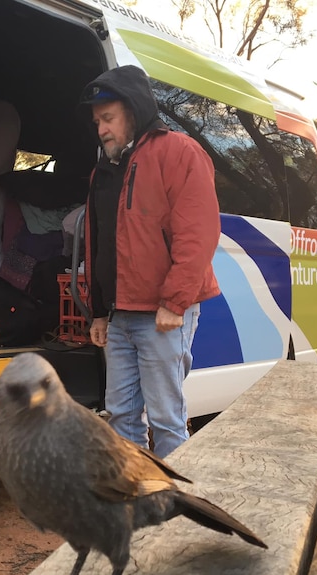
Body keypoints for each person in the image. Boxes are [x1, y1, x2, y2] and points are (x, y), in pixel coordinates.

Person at [78, 65, 221, 458]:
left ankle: (176, 510)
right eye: (97, 123)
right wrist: (98, 312)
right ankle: (138, 496)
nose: (101, 129)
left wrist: (175, 302)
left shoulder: (179, 151)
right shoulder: (103, 171)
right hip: (120, 314)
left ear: (134, 111)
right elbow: (98, 243)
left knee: (166, 418)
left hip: (162, 313)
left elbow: (199, 233)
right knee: (121, 414)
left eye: (108, 118)